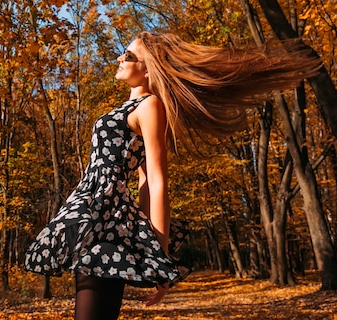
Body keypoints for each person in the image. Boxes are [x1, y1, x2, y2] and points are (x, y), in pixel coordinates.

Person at [24, 31, 321, 320]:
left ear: (148, 68)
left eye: (128, 55)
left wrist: (159, 255)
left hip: (109, 223)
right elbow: (142, 180)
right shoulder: (128, 108)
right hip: (93, 211)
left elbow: (153, 180)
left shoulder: (150, 106)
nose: (119, 57)